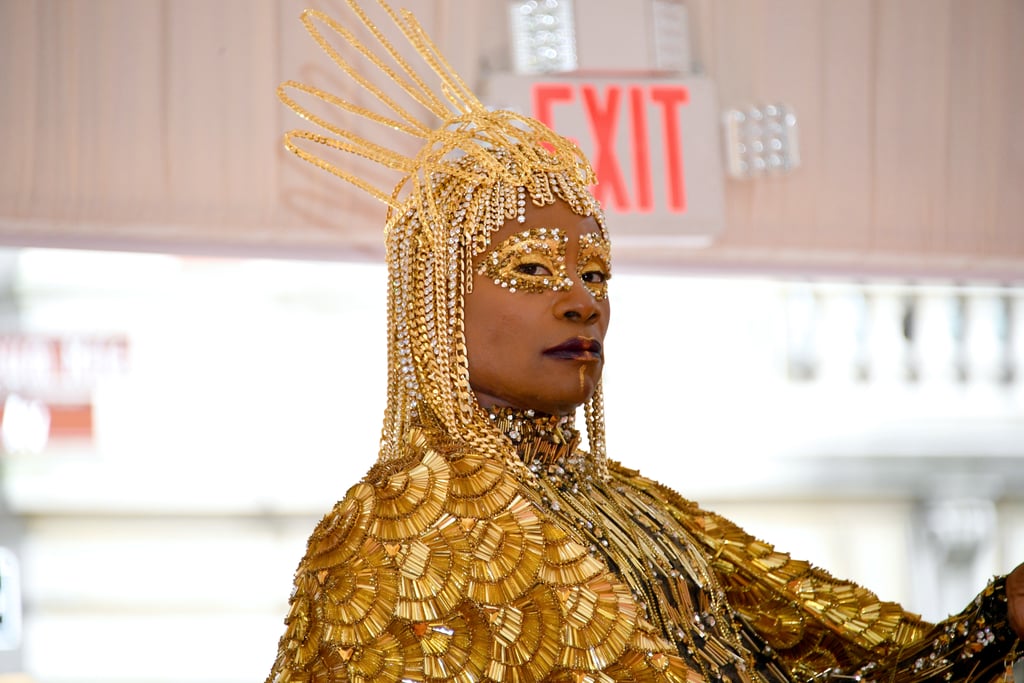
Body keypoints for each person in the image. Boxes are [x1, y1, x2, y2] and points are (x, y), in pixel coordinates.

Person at [266, 2, 1023, 681]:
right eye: (530, 269)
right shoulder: (386, 534)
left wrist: (994, 624)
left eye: (595, 275)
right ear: (438, 302)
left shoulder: (638, 510)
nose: (580, 303)